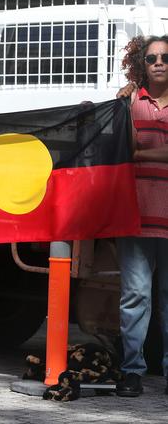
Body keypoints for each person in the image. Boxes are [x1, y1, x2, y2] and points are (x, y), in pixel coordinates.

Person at [115, 34, 168, 397]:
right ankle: (132, 372)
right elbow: (124, 148)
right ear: (143, 65)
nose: (159, 63)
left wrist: (143, 155)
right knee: (135, 297)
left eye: (165, 57)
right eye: (151, 59)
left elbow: (136, 152)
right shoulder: (129, 101)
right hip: (136, 218)